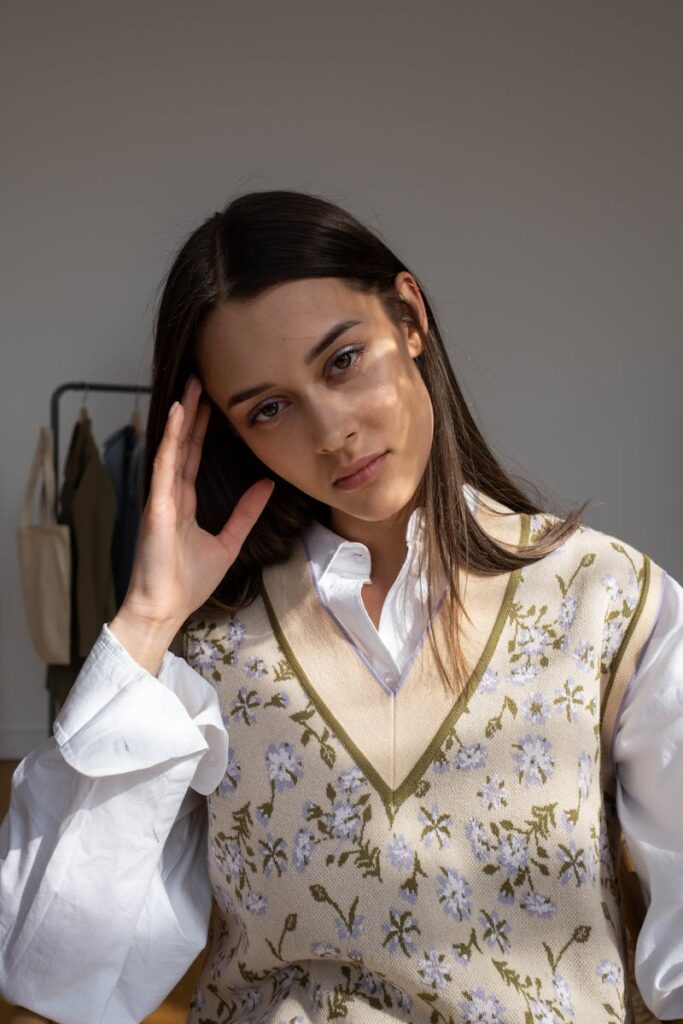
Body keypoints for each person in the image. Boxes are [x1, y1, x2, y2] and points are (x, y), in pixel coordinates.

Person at [1, 190, 682, 1024]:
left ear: (408, 318)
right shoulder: (202, 652)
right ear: (232, 434)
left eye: (341, 361)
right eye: (269, 408)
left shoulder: (610, 602)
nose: (330, 431)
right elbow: (52, 970)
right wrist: (146, 622)